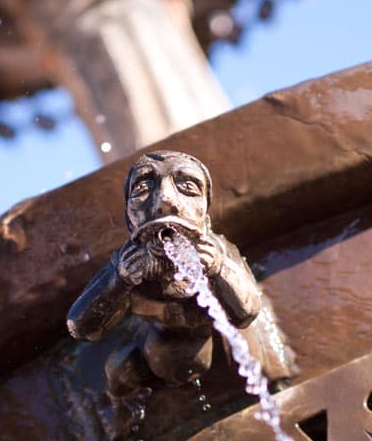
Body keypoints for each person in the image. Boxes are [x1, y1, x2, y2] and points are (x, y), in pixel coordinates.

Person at [68, 150, 285, 398]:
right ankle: (128, 413)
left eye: (188, 187)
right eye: (142, 190)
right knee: (119, 374)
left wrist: (218, 268)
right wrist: (118, 281)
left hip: (218, 335)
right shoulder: (126, 263)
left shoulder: (216, 251)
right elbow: (80, 327)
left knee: (264, 367)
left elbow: (246, 311)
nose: (165, 200)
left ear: (205, 216)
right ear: (129, 218)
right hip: (160, 345)